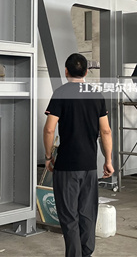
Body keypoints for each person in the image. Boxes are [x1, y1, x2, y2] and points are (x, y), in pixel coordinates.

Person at [43, 53, 114, 257]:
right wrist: (108, 160)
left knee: (69, 215)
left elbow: (49, 129)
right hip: (89, 165)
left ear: (66, 71)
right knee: (87, 212)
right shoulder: (96, 95)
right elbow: (105, 131)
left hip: (66, 165)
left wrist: (48, 157)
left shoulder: (60, 93)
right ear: (86, 72)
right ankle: (86, 253)